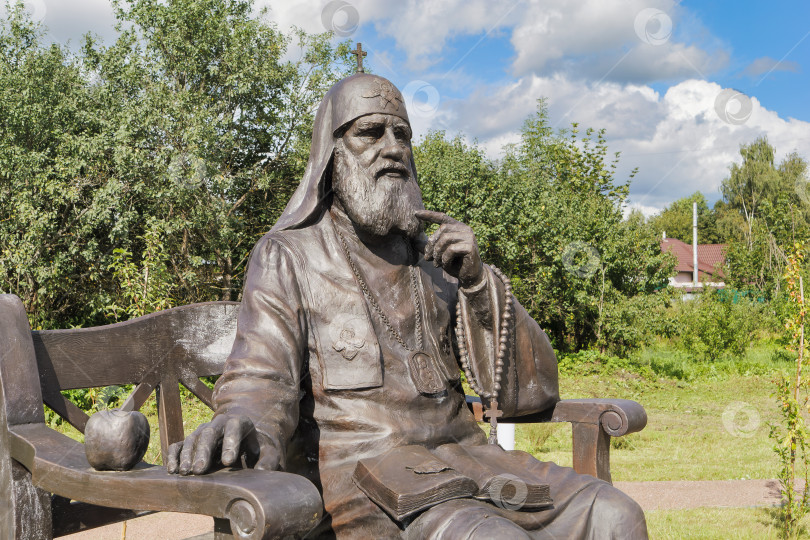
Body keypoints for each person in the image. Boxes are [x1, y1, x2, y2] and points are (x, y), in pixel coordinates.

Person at [167, 72, 648, 539]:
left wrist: (479, 284)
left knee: (614, 515)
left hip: (469, 461)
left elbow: (533, 393)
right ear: (331, 154)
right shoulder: (289, 255)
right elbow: (260, 377)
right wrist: (240, 425)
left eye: (402, 134)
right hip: (363, 480)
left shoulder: (437, 262)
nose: (393, 147)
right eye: (370, 133)